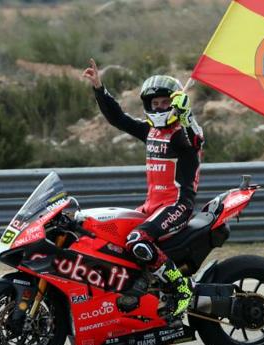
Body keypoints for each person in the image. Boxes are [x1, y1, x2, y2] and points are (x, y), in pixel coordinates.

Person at [82, 58, 204, 319]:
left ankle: (181, 287)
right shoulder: (151, 131)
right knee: (112, 235)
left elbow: (195, 142)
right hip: (152, 206)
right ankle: (139, 290)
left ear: (175, 102)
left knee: (138, 240)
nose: (159, 107)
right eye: (155, 103)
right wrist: (99, 89)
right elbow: (119, 119)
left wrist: (186, 115)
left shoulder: (181, 133)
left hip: (177, 205)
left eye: (164, 102)